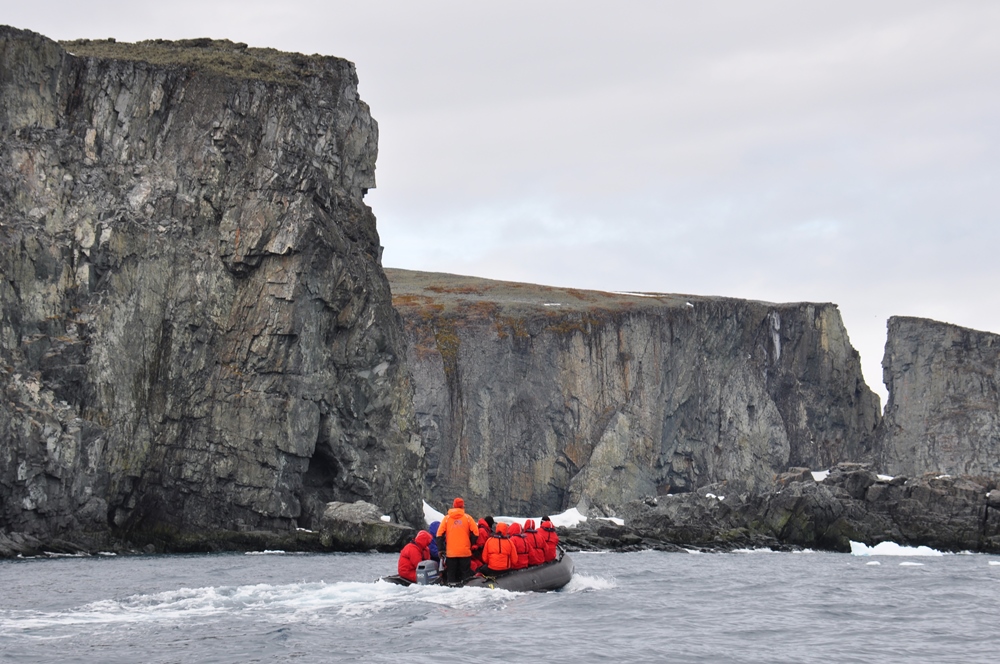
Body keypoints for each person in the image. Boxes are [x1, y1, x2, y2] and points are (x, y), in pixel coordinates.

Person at [435, 497, 479, 585]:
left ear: (453, 506)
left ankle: (452, 593)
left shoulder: (446, 519)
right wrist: (470, 543)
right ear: (463, 506)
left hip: (451, 553)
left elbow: (439, 534)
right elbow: (476, 532)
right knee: (465, 575)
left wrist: (441, 549)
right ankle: (466, 592)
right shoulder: (468, 518)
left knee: (451, 574)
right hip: (464, 552)